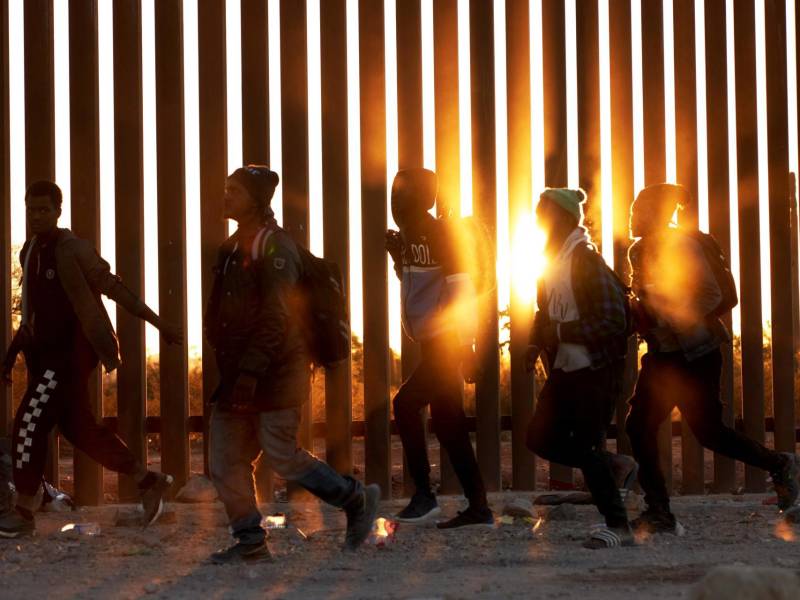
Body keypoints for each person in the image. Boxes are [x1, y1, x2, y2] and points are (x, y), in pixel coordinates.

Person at [205, 165, 379, 563]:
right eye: (226, 187)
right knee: (224, 460)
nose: (226, 194)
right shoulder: (231, 247)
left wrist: (251, 370)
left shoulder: (275, 247)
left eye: (234, 190)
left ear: (257, 199)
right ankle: (250, 540)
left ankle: (355, 500)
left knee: (281, 453)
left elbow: (279, 315)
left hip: (277, 372)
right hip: (239, 374)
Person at [0, 180, 181, 538]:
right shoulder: (31, 250)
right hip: (45, 358)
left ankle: (22, 511)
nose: (37, 216)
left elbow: (112, 287)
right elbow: (31, 317)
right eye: (31, 209)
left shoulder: (73, 249)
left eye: (44, 210)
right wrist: (11, 358)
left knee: (28, 424)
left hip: (68, 357)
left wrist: (157, 322)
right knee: (80, 430)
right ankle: (148, 481)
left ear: (57, 211)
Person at [625, 183, 800, 534]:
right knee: (639, 425)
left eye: (639, 209)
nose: (632, 216)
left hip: (696, 353)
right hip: (664, 354)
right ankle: (659, 510)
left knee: (708, 433)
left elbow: (712, 294)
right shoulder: (640, 250)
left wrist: (665, 315)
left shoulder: (682, 245)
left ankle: (780, 463)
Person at [524, 188, 637, 549]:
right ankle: (613, 464)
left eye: (545, 213)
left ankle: (618, 526)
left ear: (564, 218)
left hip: (595, 370)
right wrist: (533, 344)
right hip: (566, 368)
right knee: (538, 438)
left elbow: (612, 319)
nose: (539, 219)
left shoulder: (586, 260)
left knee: (587, 447)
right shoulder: (551, 260)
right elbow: (548, 311)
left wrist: (558, 332)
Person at [387, 168, 493, 528]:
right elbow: (419, 286)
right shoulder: (411, 237)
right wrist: (396, 259)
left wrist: (468, 346)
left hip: (449, 343)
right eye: (393, 194)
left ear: (424, 199)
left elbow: (462, 292)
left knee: (404, 404)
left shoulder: (441, 235)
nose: (394, 201)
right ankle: (479, 508)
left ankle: (424, 496)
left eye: (402, 194)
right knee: (450, 426)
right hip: (434, 341)